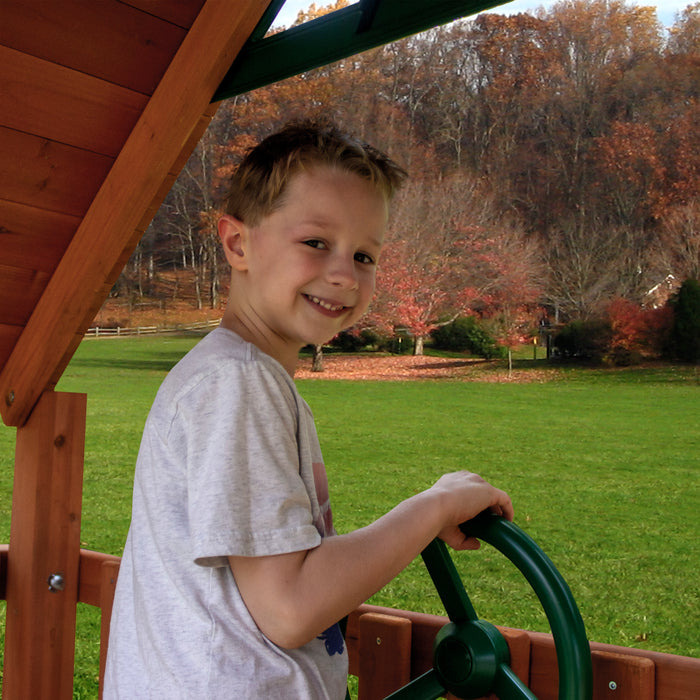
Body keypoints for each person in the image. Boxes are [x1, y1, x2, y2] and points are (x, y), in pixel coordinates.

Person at [104, 120, 513, 699]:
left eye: (365, 255)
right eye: (316, 243)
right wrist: (433, 506)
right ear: (237, 243)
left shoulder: (237, 377)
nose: (344, 273)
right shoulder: (238, 384)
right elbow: (290, 608)